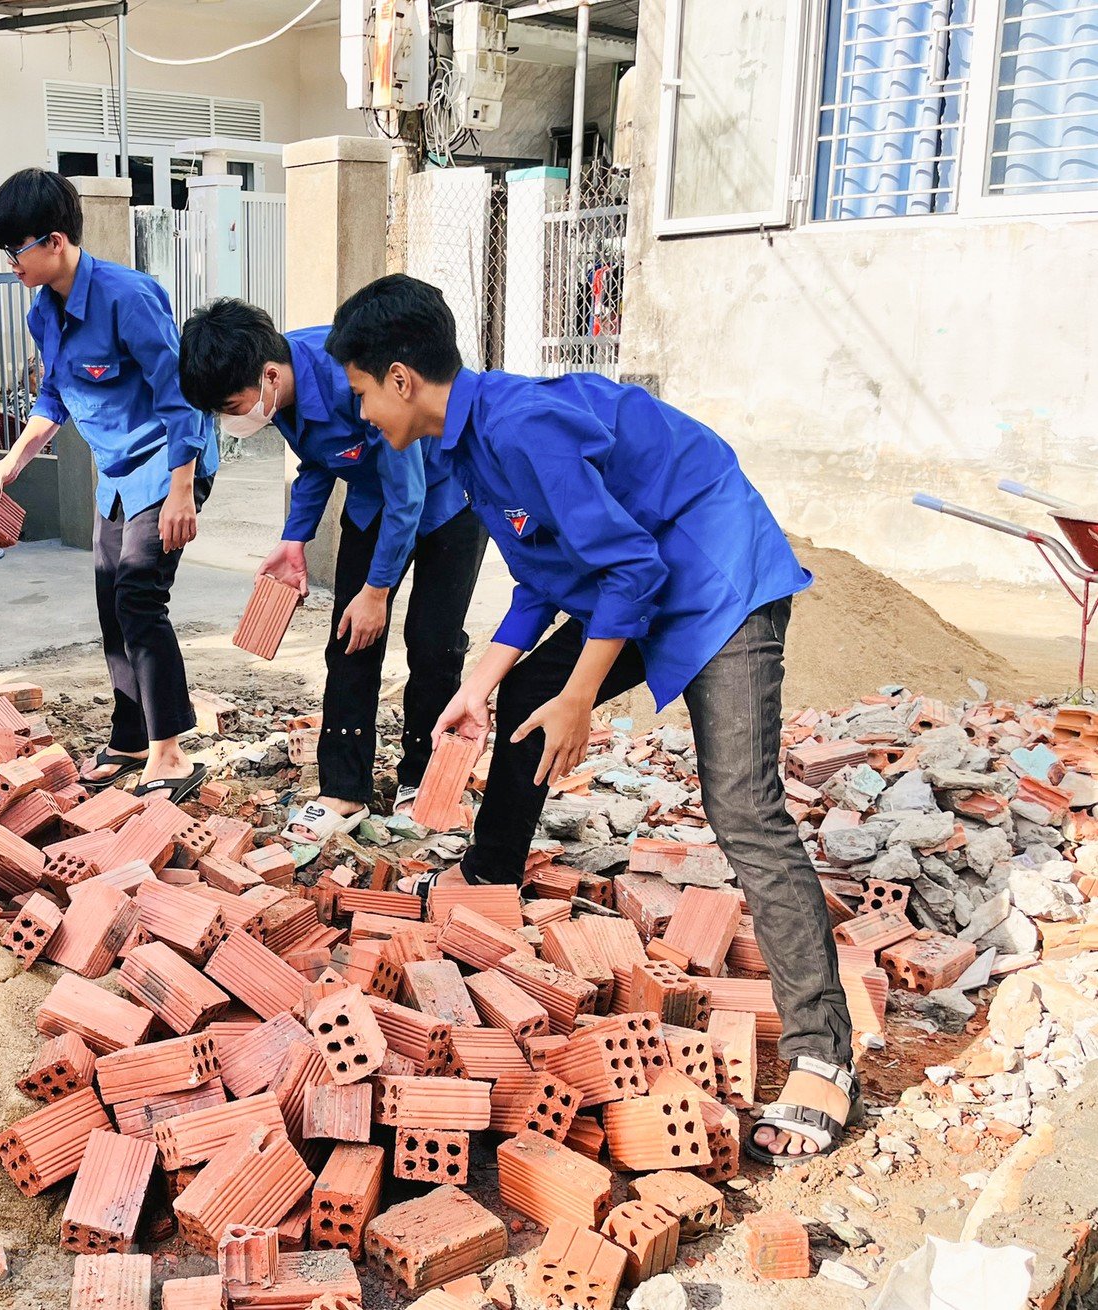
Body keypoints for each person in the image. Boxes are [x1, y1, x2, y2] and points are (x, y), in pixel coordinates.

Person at [323, 274, 857, 1167]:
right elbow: (545, 573)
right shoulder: (466, 449)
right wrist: (483, 684)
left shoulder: (521, 427)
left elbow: (632, 571)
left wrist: (579, 700)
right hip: (642, 576)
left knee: (742, 808)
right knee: (529, 699)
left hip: (713, 573)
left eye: (363, 391)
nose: (364, 412)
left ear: (403, 378)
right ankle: (490, 878)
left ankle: (820, 1055)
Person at [178, 299, 487, 839]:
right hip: (374, 500)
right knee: (348, 640)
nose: (229, 420)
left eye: (232, 405)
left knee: (432, 640)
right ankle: (345, 791)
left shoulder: (354, 375)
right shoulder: (283, 387)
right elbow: (322, 461)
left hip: (448, 495)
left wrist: (377, 589)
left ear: (269, 375)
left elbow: (408, 494)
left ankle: (425, 778)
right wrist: (294, 540)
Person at [0, 169, 220, 801]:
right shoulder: (43, 311)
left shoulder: (128, 297)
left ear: (53, 240)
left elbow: (183, 396)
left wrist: (182, 490)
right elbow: (53, 399)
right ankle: (130, 737)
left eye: (15, 251)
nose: (10, 266)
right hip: (115, 474)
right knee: (112, 598)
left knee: (140, 596)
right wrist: (7, 469)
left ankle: (169, 756)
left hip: (167, 464)